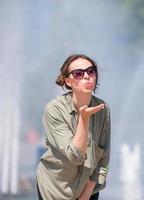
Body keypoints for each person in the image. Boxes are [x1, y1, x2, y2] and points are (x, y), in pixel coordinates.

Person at [36, 54, 111, 200]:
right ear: (68, 81)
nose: (86, 76)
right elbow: (75, 156)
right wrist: (84, 119)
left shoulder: (103, 109)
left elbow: (103, 158)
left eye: (91, 71)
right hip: (56, 190)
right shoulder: (53, 110)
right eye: (78, 73)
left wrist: (86, 195)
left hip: (89, 187)